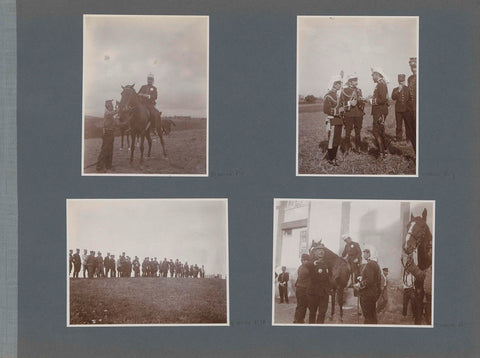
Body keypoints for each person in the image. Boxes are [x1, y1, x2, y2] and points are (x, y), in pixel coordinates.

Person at [402, 240, 432, 325]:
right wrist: (410, 265)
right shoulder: (428, 266)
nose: (429, 252)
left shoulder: (431, 265)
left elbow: (423, 275)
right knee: (418, 307)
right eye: (428, 250)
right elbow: (422, 275)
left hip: (429, 297)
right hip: (423, 293)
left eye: (430, 249)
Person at [355, 246, 381, 324]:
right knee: (372, 315)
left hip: (367, 295)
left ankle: (367, 332)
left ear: (371, 254)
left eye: (366, 253)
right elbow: (372, 278)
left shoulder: (370, 264)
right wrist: (362, 278)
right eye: (364, 253)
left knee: (368, 316)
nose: (364, 255)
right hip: (372, 294)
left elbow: (370, 280)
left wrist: (359, 285)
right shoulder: (374, 264)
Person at [340, 74, 365, 153]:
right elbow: (341, 103)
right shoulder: (344, 91)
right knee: (348, 132)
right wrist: (349, 103)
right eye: (354, 80)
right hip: (349, 114)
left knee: (358, 132)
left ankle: (358, 148)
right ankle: (347, 149)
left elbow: (360, 101)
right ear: (350, 82)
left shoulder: (359, 90)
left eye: (356, 80)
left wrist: (362, 101)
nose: (356, 82)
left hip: (358, 114)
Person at [322, 75, 344, 165]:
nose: (340, 85)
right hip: (333, 121)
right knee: (332, 140)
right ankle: (331, 159)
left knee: (337, 140)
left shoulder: (337, 95)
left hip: (339, 120)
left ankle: (334, 157)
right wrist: (338, 111)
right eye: (339, 83)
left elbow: (341, 107)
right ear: (334, 85)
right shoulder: (328, 96)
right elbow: (326, 110)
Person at [305, 250, 331, 324]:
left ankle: (320, 329)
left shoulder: (327, 264)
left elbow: (330, 277)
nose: (321, 254)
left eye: (322, 252)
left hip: (324, 293)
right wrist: (314, 263)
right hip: (314, 293)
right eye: (319, 252)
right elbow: (306, 265)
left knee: (322, 313)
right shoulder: (311, 264)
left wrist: (330, 288)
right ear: (315, 255)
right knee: (312, 313)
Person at [369, 67, 389, 158]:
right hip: (380, 111)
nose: (372, 77)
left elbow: (382, 99)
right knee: (380, 131)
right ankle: (384, 151)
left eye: (373, 75)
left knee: (376, 131)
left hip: (379, 112)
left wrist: (371, 101)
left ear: (377, 75)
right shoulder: (380, 84)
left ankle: (382, 153)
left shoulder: (380, 85)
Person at [96, 99, 118, 172]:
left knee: (110, 150)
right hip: (107, 133)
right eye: (111, 105)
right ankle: (99, 167)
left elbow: (116, 123)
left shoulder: (110, 114)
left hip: (111, 133)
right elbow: (113, 113)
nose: (112, 106)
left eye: (112, 105)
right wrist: (119, 108)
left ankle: (108, 165)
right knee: (105, 150)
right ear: (108, 106)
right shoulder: (107, 113)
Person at [391, 74, 410, 142]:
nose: (401, 82)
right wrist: (397, 91)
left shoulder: (408, 89)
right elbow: (393, 98)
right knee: (398, 125)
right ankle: (399, 138)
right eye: (399, 81)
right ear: (398, 81)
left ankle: (409, 138)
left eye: (402, 81)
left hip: (406, 110)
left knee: (408, 125)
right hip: (398, 110)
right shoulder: (395, 89)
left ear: (404, 81)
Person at [293, 254, 311, 324]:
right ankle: (299, 320)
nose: (308, 262)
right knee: (303, 305)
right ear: (304, 260)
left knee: (299, 305)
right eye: (307, 260)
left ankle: (296, 319)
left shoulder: (300, 267)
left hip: (299, 288)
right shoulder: (306, 268)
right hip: (303, 289)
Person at [406, 57, 417, 153]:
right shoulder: (410, 79)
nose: (413, 68)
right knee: (412, 132)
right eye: (411, 66)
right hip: (410, 109)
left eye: (415, 66)